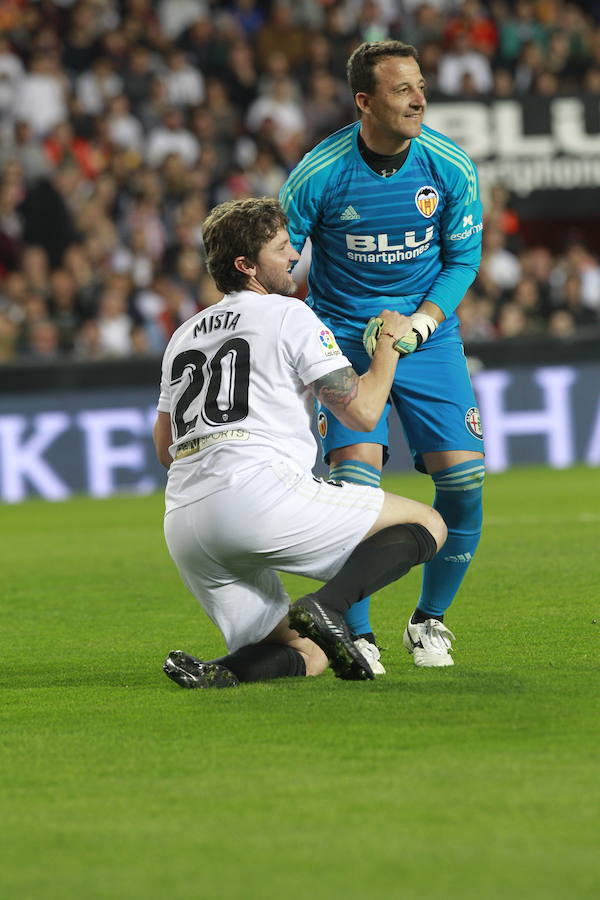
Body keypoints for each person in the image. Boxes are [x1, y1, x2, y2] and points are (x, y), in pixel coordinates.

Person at [153, 197, 447, 689]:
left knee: (308, 653)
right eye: (282, 247)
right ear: (246, 266)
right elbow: (364, 410)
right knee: (429, 524)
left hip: (185, 523)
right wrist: (390, 344)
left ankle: (215, 675)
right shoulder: (288, 315)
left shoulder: (183, 335)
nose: (294, 255)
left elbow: (165, 448)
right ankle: (327, 606)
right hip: (256, 494)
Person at [279, 40, 485, 668]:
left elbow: (462, 259)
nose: (418, 98)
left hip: (426, 335)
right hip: (341, 337)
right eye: (402, 90)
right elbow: (278, 260)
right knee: (354, 482)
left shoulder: (449, 166)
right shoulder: (319, 173)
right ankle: (355, 631)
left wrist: (422, 323)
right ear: (364, 101)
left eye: (420, 86)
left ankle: (429, 621)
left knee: (466, 479)